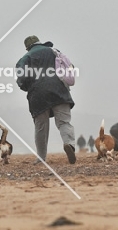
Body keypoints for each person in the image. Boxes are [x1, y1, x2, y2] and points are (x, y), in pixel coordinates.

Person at [16, 35, 76, 164]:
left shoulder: (25, 58)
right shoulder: (55, 51)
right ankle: (69, 144)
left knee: (41, 127)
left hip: (38, 96)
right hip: (59, 91)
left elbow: (21, 80)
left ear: (27, 47)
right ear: (39, 42)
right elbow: (70, 66)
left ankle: (41, 158)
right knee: (64, 122)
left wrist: (29, 87)